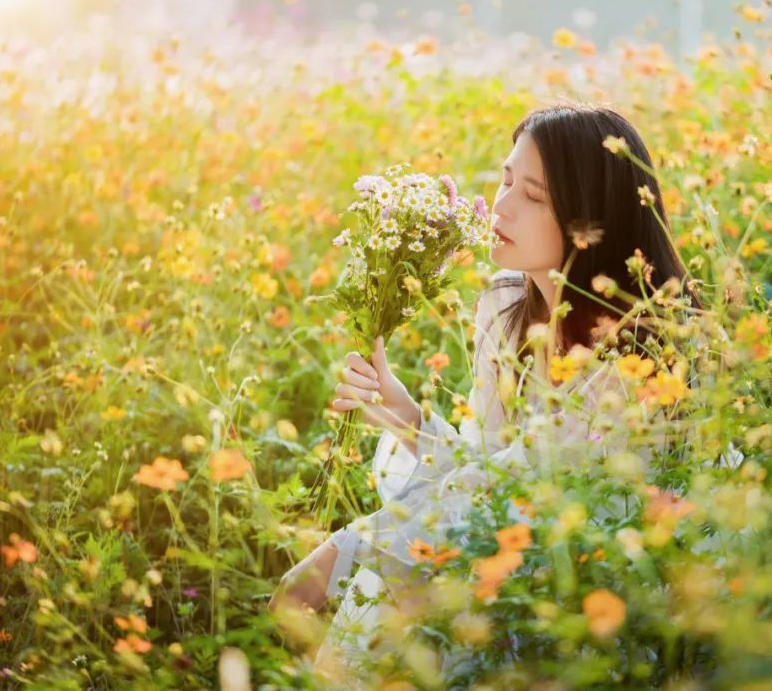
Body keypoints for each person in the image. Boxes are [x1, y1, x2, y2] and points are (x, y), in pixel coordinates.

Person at [269, 103, 723, 680]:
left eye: (534, 196)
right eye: (506, 179)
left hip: (591, 595)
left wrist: (349, 547)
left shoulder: (644, 348)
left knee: (401, 588)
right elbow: (489, 469)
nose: (501, 206)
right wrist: (399, 410)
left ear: (590, 221)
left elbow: (529, 488)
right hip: (506, 552)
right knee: (403, 587)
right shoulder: (506, 304)